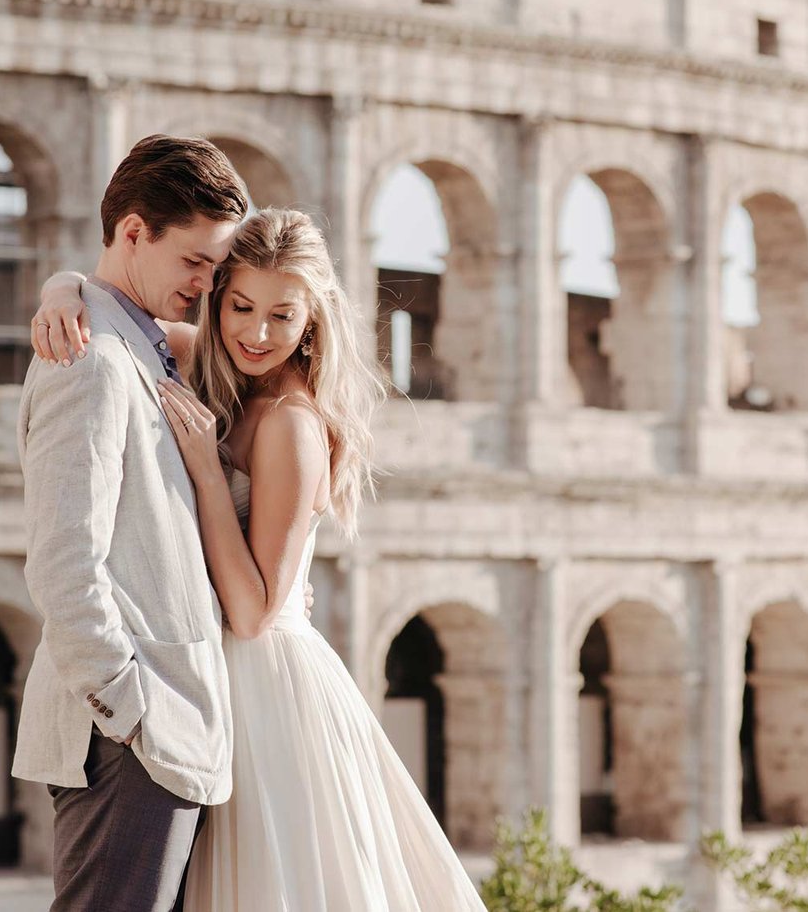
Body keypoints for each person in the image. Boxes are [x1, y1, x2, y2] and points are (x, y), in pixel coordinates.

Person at [31, 208, 486, 911]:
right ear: (218, 293)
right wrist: (61, 292)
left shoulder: (290, 424)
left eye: (282, 316)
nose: (257, 333)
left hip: (268, 689)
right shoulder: (204, 360)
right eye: (241, 305)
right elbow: (111, 307)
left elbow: (253, 611)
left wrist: (207, 474)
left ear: (313, 321)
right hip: (207, 684)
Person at [12, 134, 247, 912]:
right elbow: (62, 562)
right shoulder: (91, 359)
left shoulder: (137, 347)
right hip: (126, 737)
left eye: (217, 270)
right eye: (195, 262)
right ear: (135, 231)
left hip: (158, 733)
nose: (206, 286)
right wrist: (128, 710)